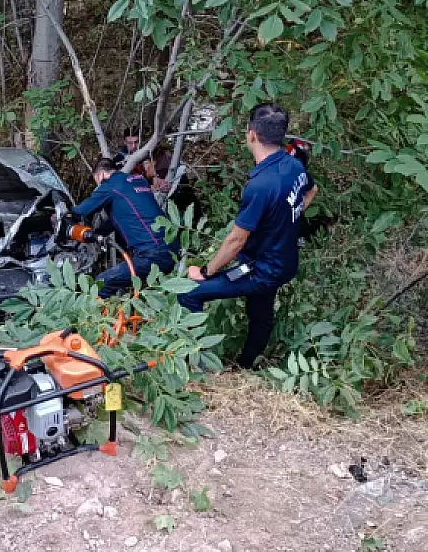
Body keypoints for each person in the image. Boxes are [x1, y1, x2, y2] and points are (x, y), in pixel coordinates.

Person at [178, 103, 317, 370]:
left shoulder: (261, 185)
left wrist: (206, 271)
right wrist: (287, 219)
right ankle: (246, 366)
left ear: (251, 134)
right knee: (260, 312)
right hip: (283, 261)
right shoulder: (293, 165)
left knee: (191, 294)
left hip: (261, 268)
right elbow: (311, 190)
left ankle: (198, 366)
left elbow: (235, 241)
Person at [71, 158, 179, 298]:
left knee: (101, 284)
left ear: (101, 175)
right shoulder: (137, 180)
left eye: (96, 181)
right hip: (172, 248)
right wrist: (96, 234)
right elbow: (121, 217)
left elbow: (80, 211)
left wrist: (63, 218)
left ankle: (104, 318)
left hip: (153, 254)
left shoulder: (110, 186)